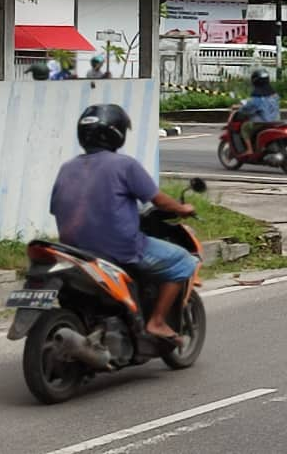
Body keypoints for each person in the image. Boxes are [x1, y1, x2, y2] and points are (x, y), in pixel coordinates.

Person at [48, 103, 198, 342]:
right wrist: (183, 208)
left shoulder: (67, 168)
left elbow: (57, 208)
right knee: (183, 261)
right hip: (119, 250)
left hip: (74, 251)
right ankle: (157, 322)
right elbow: (160, 201)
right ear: (116, 133)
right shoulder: (125, 165)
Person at [234, 68, 282, 156]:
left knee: (245, 127)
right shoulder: (274, 95)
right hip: (276, 121)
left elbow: (248, 109)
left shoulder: (258, 97)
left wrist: (240, 109)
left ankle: (249, 150)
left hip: (263, 122)